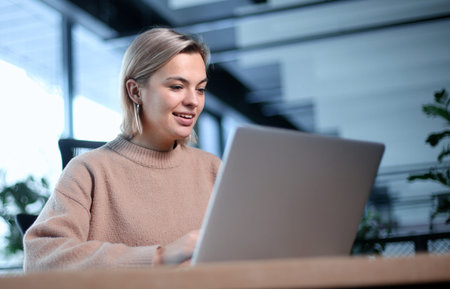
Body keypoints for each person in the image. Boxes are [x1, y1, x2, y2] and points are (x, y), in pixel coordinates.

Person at [23, 28, 221, 271]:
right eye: (177, 87)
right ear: (135, 91)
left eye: (200, 89)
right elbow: (40, 258)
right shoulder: (89, 170)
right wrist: (159, 258)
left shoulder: (214, 169)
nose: (193, 100)